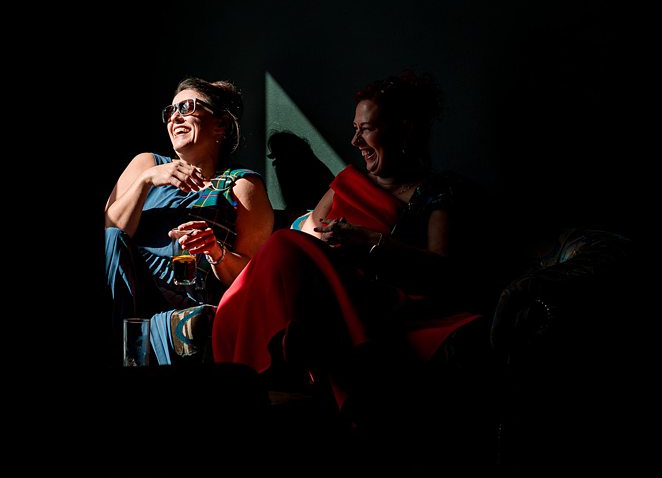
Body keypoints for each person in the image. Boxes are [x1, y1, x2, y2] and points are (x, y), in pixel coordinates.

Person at [212, 69, 484, 424]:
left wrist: (374, 245)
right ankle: (256, 379)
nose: (355, 141)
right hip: (321, 290)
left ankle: (246, 383)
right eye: (355, 129)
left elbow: (442, 273)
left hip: (381, 298)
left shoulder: (438, 190)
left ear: (403, 130)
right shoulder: (348, 183)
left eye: (366, 129)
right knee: (285, 246)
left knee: (284, 245)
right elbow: (310, 238)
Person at [105, 76, 274, 366]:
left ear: (219, 125)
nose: (175, 117)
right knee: (110, 237)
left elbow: (251, 276)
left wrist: (215, 250)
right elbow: (110, 236)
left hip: (181, 296)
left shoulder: (241, 185)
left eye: (188, 107)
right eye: (171, 112)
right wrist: (146, 182)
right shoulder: (147, 164)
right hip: (123, 289)